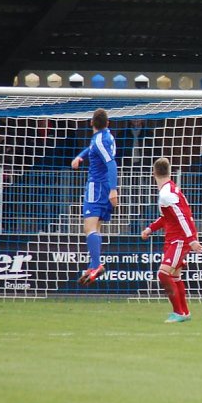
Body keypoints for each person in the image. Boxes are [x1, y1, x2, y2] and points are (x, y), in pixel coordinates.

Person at [141, 157, 202, 323]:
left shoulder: (167, 194)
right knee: (175, 276)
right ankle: (185, 312)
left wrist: (191, 240)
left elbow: (183, 217)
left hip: (179, 240)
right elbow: (166, 217)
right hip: (175, 238)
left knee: (163, 273)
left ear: (154, 173)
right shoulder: (171, 190)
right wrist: (150, 228)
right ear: (169, 172)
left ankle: (178, 313)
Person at [71, 108, 119, 285]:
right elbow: (93, 148)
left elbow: (111, 163)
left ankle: (97, 264)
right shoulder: (107, 136)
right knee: (96, 227)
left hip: (97, 187)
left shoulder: (99, 140)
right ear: (108, 124)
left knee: (89, 227)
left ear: (91, 123)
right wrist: (81, 156)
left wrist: (114, 190)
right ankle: (94, 264)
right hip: (103, 186)